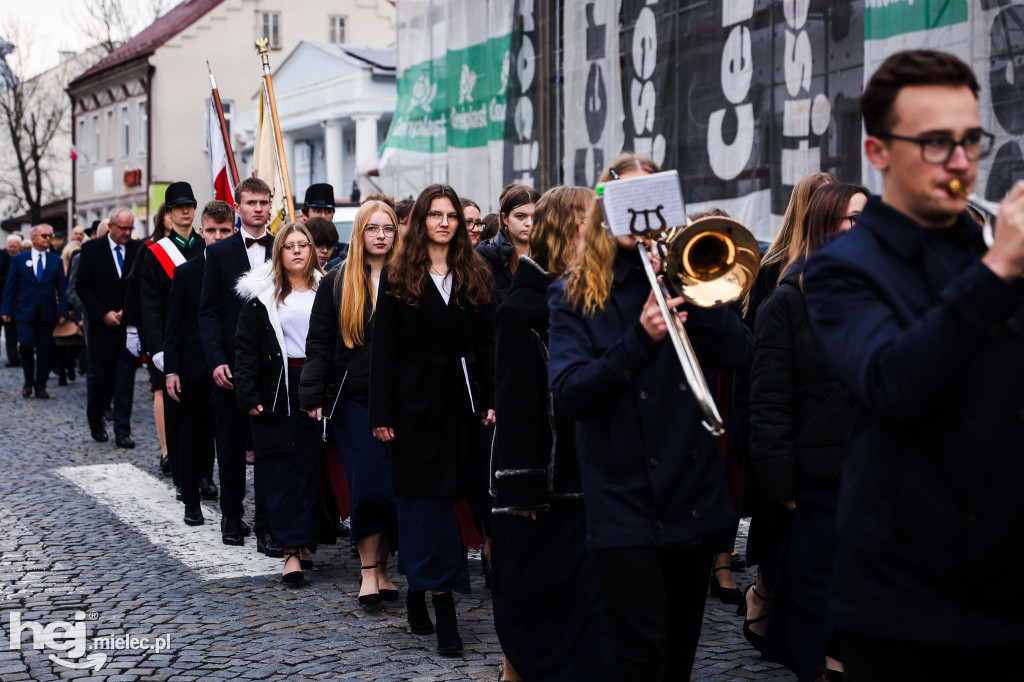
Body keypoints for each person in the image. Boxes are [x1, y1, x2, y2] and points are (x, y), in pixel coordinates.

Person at [803, 50, 1024, 679]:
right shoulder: (842, 267)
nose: (960, 162)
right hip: (906, 609)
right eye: (934, 143)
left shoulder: (991, 250)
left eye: (970, 140)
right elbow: (892, 381)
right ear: (877, 152)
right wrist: (998, 271)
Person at [547, 153, 753, 681]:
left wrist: (693, 292)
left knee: (679, 657)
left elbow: (739, 352)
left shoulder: (682, 278)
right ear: (605, 208)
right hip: (622, 500)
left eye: (651, 198)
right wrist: (638, 341)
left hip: (690, 495)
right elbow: (571, 394)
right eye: (627, 198)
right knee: (640, 658)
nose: (640, 211)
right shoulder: (573, 293)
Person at [490, 184, 615, 682]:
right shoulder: (522, 308)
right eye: (592, 222)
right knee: (538, 605)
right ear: (567, 230)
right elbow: (517, 403)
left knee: (582, 611)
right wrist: (523, 487)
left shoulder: (591, 297)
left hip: (588, 480)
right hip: (545, 489)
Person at [369, 183, 495, 655]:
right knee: (424, 509)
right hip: (411, 407)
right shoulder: (398, 274)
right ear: (421, 220)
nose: (445, 222)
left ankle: (419, 587)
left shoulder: (475, 272)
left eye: (452, 215)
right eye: (436, 214)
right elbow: (383, 351)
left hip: (459, 406)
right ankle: (444, 611)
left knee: (447, 504)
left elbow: (487, 346)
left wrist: (491, 398)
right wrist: (381, 412)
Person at [750, 182, 867, 682]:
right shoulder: (786, 301)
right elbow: (768, 398)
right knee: (816, 589)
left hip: (871, 469)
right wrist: (780, 479)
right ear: (825, 224)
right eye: (854, 219)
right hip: (817, 476)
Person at [739, 171, 837, 647]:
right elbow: (760, 360)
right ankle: (763, 599)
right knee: (779, 528)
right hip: (785, 421)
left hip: (820, 430)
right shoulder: (777, 270)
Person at [301, 199, 400, 607]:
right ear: (360, 232)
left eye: (388, 228)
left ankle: (385, 567)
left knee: (395, 486)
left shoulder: (409, 276)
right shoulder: (337, 281)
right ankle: (368, 570)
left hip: (402, 400)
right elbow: (319, 341)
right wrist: (312, 394)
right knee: (368, 483)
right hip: (353, 400)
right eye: (372, 228)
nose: (380, 235)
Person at [234, 222, 323, 584]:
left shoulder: (327, 289)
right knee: (282, 471)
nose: (297, 251)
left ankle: (304, 541)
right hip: (279, 390)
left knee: (311, 469)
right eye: (289, 246)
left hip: (318, 387)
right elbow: (245, 349)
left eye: (303, 244)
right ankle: (290, 552)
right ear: (279, 253)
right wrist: (249, 394)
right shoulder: (263, 297)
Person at [199, 177, 276, 553]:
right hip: (230, 366)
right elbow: (209, 312)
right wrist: (216, 361)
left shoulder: (286, 245)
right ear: (238, 207)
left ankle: (267, 525)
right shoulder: (219, 252)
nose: (258, 208)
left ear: (271, 205)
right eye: (251, 202)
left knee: (268, 448)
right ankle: (231, 516)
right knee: (229, 445)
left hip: (273, 366)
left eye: (264, 202)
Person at [165, 201, 237, 527]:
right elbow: (174, 325)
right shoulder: (186, 272)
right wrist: (171, 369)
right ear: (201, 231)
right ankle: (191, 501)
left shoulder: (242, 269)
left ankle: (231, 509)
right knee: (192, 436)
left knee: (229, 440)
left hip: (231, 367)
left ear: (234, 231)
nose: (218, 236)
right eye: (212, 230)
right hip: (193, 368)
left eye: (224, 230)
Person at [140, 183, 213, 499]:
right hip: (172, 346)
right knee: (177, 415)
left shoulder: (208, 247)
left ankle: (206, 475)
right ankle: (183, 476)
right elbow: (150, 307)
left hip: (204, 343)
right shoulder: (155, 252)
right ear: (168, 213)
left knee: (207, 415)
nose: (185, 211)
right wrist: (158, 350)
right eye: (178, 206)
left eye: (190, 205)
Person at [74, 208, 142, 445]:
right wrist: (103, 313)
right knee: (98, 380)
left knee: (125, 382)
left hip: (127, 327)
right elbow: (82, 287)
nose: (127, 233)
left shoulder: (138, 249)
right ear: (110, 226)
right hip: (101, 327)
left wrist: (128, 311)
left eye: (131, 228)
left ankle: (122, 430)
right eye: (123, 228)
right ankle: (96, 422)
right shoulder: (91, 249)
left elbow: (140, 286)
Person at [0, 224, 68, 398]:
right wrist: (5, 309)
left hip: (47, 311)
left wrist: (63, 311)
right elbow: (10, 286)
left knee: (45, 348)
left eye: (50, 236)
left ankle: (40, 384)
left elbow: (62, 289)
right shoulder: (19, 260)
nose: (48, 239)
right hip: (24, 311)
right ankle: (28, 380)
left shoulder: (55, 260)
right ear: (33, 238)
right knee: (26, 344)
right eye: (44, 236)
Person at [477, 184, 539, 305]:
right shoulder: (485, 257)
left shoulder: (550, 256)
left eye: (535, 216)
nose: (529, 223)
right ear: (505, 218)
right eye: (520, 216)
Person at [2, 234, 23, 367]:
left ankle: (19, 357)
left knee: (18, 332)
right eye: (10, 246)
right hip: (3, 299)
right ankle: (13, 358)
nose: (12, 249)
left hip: (19, 301)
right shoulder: (2, 257)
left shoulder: (22, 258)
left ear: (19, 247)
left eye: (14, 247)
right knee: (9, 333)